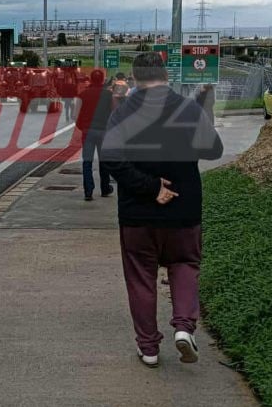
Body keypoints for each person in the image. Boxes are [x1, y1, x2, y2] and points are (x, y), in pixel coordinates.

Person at [102, 52, 223, 368]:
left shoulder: (124, 112)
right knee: (184, 264)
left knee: (141, 277)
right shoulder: (187, 109)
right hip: (184, 211)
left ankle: (149, 348)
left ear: (136, 77)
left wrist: (151, 187)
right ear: (166, 76)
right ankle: (183, 327)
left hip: (137, 215)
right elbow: (214, 150)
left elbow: (111, 159)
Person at [76, 69, 114, 201]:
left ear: (91, 80)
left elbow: (77, 115)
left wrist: (82, 127)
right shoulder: (109, 95)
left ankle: (88, 191)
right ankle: (105, 188)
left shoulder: (83, 94)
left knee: (87, 161)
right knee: (104, 161)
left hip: (88, 131)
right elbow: (113, 113)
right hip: (104, 132)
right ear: (103, 80)